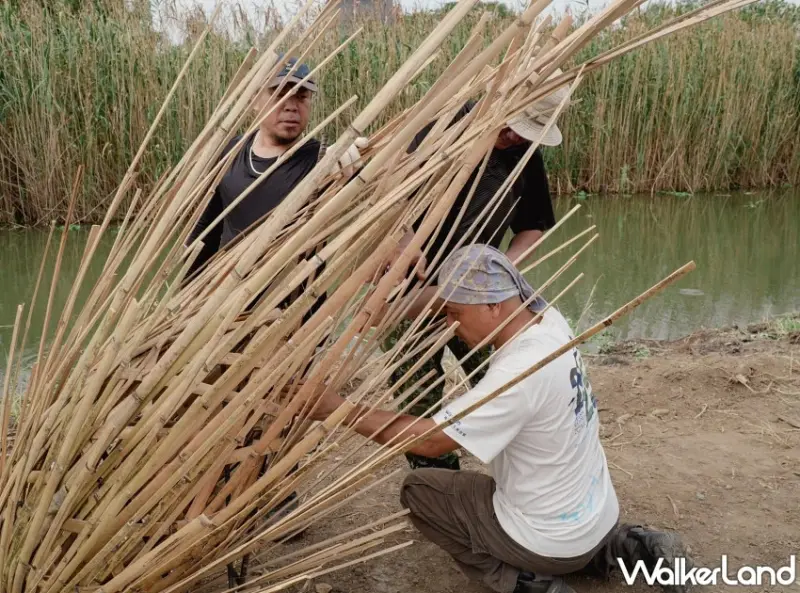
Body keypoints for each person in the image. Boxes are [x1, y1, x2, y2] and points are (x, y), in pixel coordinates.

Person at [312, 244, 693, 593]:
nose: (450, 325)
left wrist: (335, 408)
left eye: (455, 314)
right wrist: (385, 308)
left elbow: (430, 442)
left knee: (420, 490)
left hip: (550, 545)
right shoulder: (548, 319)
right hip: (601, 517)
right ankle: (629, 546)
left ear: (493, 307)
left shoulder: (518, 373)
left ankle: (528, 584)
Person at [385, 84, 565, 472]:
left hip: (481, 295)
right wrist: (401, 241)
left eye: (527, 132)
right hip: (411, 289)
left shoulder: (522, 154)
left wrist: (501, 266)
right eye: (513, 125)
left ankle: (521, 471)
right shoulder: (440, 128)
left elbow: (533, 227)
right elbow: (387, 198)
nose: (515, 136)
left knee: (497, 379)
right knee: (416, 385)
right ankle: (435, 475)